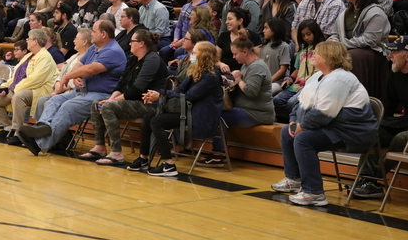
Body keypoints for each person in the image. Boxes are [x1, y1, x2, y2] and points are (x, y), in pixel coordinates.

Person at [271, 40, 378, 206]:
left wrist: (302, 126)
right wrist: (293, 121)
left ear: (329, 57)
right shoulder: (316, 76)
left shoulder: (340, 78)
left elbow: (323, 114)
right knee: (287, 132)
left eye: (317, 53)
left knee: (304, 139)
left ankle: (314, 192)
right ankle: (294, 179)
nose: (312, 55)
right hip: (333, 127)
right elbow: (299, 102)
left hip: (353, 132)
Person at [17, 20, 126, 155]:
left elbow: (90, 69)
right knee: (54, 100)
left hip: (101, 94)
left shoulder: (113, 51)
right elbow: (79, 64)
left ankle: (39, 144)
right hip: (83, 90)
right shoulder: (94, 48)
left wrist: (68, 77)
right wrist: (75, 75)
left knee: (67, 107)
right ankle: (42, 127)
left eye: (94, 31)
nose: (91, 34)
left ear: (103, 34)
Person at [131, 41, 224, 175]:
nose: (191, 56)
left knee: (157, 121)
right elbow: (180, 90)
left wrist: (161, 95)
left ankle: (168, 164)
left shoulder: (211, 76)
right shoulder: (195, 72)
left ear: (204, 56)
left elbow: (189, 96)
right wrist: (158, 94)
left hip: (200, 116)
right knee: (148, 117)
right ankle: (143, 158)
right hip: (188, 111)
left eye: (194, 53)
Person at [79, 30, 169, 166]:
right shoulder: (132, 58)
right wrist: (111, 98)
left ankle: (117, 153)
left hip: (150, 104)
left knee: (108, 107)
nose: (129, 44)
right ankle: (99, 147)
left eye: (132, 41)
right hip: (133, 101)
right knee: (97, 104)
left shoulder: (152, 59)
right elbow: (121, 83)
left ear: (141, 44)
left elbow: (137, 89)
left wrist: (112, 101)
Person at [201, 37, 274, 167]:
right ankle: (219, 152)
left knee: (218, 115)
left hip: (257, 113)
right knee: (215, 110)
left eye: (235, 54)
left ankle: (218, 154)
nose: (233, 57)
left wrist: (238, 79)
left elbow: (251, 92)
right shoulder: (247, 65)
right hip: (246, 109)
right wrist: (230, 81)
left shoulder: (257, 67)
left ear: (245, 52)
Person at [352, 36, 408, 199]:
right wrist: (382, 123)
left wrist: (393, 123)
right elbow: (388, 105)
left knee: (401, 138)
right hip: (404, 122)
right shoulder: (396, 73)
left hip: (404, 127)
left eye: (394, 52)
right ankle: (368, 182)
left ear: (407, 56)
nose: (389, 56)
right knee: (373, 131)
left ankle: (370, 178)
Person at [0, 29, 59, 142]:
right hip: (21, 87)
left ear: (35, 41)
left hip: (38, 89)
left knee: (18, 96)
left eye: (29, 39)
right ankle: (6, 127)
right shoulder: (28, 56)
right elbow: (16, 76)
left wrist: (16, 89)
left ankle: (18, 132)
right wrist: (5, 87)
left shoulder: (45, 57)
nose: (27, 41)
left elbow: (36, 80)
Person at [330, 0, 391, 99]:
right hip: (347, 47)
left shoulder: (376, 13)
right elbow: (334, 33)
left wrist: (342, 45)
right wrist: (333, 42)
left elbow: (370, 40)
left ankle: (355, 97)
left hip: (374, 51)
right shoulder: (345, 13)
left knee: (352, 55)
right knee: (322, 53)